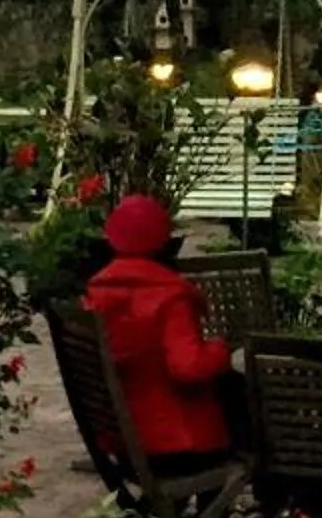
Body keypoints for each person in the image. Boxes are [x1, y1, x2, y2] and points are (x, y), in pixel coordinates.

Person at [82, 194, 237, 467]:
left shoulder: (95, 293)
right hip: (174, 441)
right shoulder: (169, 296)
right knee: (240, 405)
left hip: (119, 439)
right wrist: (220, 350)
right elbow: (188, 367)